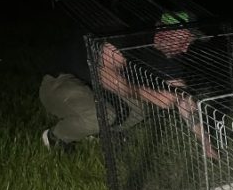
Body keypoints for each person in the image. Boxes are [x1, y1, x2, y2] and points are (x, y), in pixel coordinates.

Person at [39, 12, 217, 158]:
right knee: (104, 115)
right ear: (165, 32)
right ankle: (56, 137)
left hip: (96, 90)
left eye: (189, 43)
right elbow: (106, 76)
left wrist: (206, 143)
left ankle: (98, 131)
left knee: (141, 108)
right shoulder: (128, 34)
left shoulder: (171, 58)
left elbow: (183, 99)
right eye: (184, 40)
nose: (186, 49)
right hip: (60, 83)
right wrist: (152, 95)